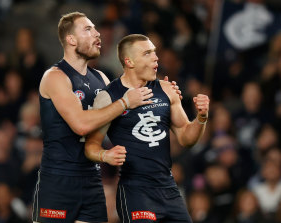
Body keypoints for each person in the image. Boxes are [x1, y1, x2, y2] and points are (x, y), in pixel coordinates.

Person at [32, 12, 180, 223]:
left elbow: (130, 97)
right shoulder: (55, 77)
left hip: (92, 179)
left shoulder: (101, 78)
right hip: (59, 180)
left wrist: (163, 92)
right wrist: (124, 103)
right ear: (71, 39)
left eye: (95, 28)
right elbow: (81, 125)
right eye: (88, 29)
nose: (97, 33)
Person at [85, 34, 210, 222]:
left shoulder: (166, 89)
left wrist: (201, 117)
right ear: (130, 61)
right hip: (136, 191)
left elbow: (186, 138)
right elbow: (90, 146)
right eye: (147, 53)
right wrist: (106, 155)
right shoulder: (109, 97)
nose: (156, 57)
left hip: (168, 187)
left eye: (154, 52)